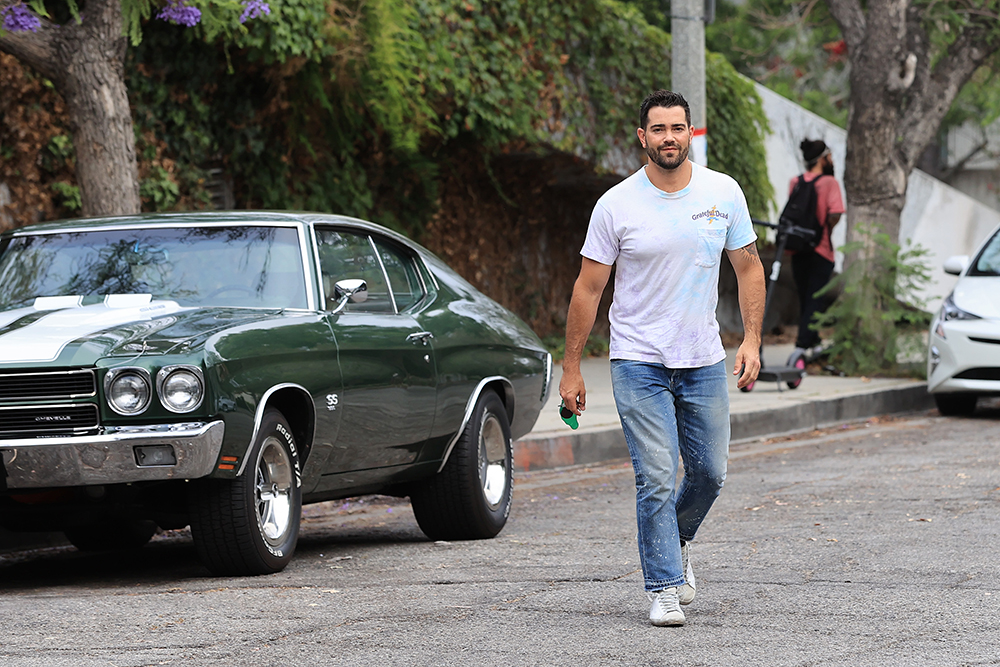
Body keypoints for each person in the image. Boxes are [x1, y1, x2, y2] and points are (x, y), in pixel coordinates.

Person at [558, 90, 766, 627]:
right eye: (659, 129)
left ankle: (678, 539)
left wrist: (750, 340)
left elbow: (748, 267)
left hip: (702, 359)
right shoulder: (616, 204)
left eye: (679, 128)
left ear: (690, 133)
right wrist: (573, 366)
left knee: (711, 473)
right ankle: (665, 587)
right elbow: (588, 289)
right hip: (637, 360)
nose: (669, 137)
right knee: (655, 474)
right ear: (642, 136)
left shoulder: (723, 192)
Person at [789, 139, 845, 358]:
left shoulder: (796, 181)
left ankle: (813, 342)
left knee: (805, 298)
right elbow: (835, 213)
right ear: (823, 158)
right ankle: (801, 347)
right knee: (815, 300)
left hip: (797, 249)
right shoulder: (829, 183)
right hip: (820, 250)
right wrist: (826, 227)